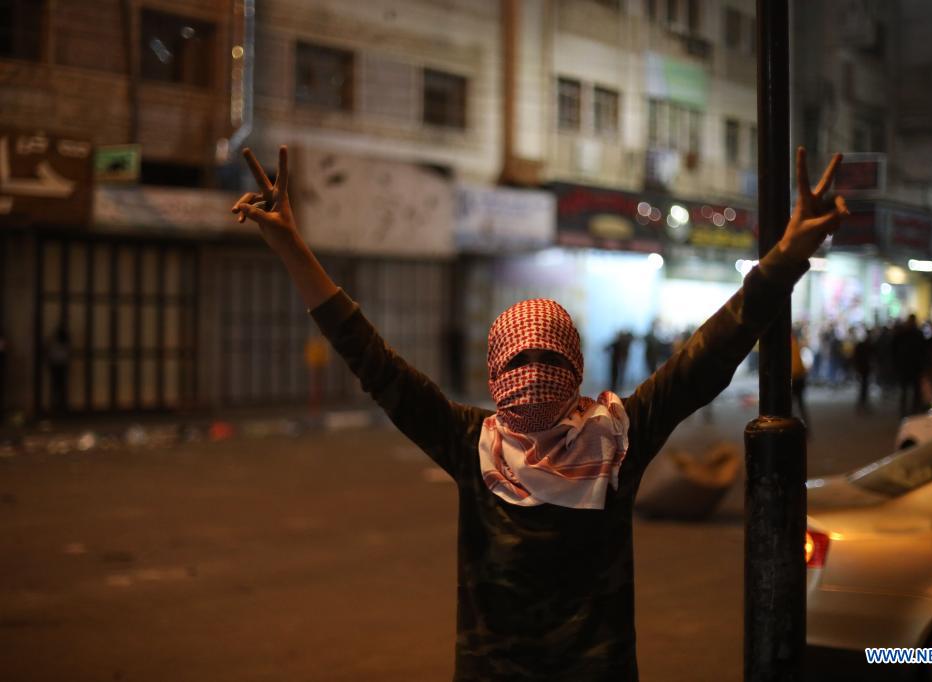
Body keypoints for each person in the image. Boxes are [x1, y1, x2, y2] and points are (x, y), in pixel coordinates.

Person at [231, 145, 849, 681]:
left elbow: (712, 350)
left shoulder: (510, 441)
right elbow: (368, 354)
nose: (532, 374)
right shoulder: (603, 440)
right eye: (520, 360)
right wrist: (290, 245)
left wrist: (791, 253)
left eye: (546, 358)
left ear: (573, 366)